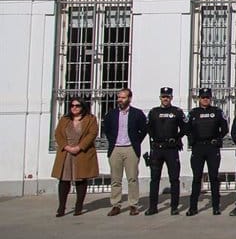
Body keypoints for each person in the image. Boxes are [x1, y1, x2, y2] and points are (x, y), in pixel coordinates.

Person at [101, 87, 148, 216]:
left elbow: (144, 129)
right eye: (119, 97)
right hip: (115, 148)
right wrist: (112, 140)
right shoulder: (111, 114)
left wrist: (136, 141)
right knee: (116, 179)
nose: (120, 100)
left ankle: (133, 204)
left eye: (123, 97)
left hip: (130, 149)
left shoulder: (137, 114)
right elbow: (106, 128)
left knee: (132, 178)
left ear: (129, 98)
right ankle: (116, 204)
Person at [51, 96, 99, 217]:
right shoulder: (64, 119)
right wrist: (66, 147)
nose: (74, 108)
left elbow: (92, 134)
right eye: (72, 105)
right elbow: (58, 134)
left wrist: (79, 147)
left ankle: (79, 206)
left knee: (81, 180)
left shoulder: (90, 119)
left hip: (81, 152)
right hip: (66, 153)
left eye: (77, 106)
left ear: (83, 106)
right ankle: (61, 207)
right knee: (64, 180)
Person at [186, 87, 228, 216]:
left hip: (212, 148)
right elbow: (186, 129)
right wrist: (192, 140)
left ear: (211, 98)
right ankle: (193, 207)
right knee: (197, 178)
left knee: (214, 177)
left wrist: (218, 139)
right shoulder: (193, 113)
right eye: (203, 97)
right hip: (198, 148)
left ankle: (216, 207)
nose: (205, 100)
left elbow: (225, 129)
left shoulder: (217, 112)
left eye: (207, 97)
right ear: (199, 99)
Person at [145, 86, 187, 215]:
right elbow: (148, 128)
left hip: (171, 149)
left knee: (174, 179)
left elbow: (185, 128)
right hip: (157, 149)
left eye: (167, 97)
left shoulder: (177, 112)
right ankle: (153, 207)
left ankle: (174, 207)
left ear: (171, 98)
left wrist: (177, 138)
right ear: (160, 98)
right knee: (154, 179)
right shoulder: (153, 112)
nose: (165, 99)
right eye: (163, 97)